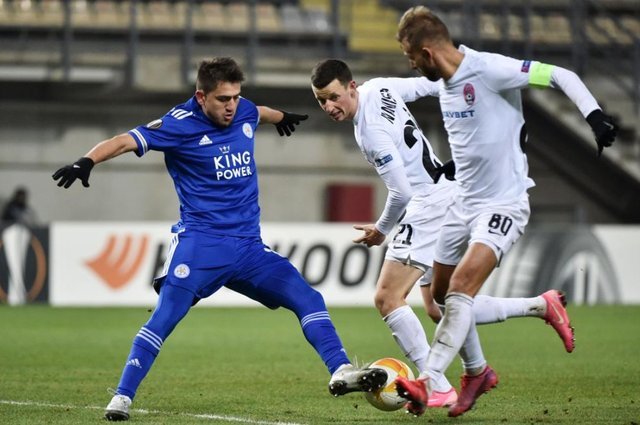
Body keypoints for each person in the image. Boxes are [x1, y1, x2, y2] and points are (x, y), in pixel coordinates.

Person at [52, 57, 387, 422]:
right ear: (201, 97)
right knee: (165, 317)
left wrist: (281, 117)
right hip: (201, 246)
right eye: (223, 99)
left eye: (235, 97)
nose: (231, 106)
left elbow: (259, 112)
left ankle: (340, 370)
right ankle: (122, 396)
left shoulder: (243, 110)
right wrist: (87, 161)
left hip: (249, 249)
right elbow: (124, 141)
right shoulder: (178, 124)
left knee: (308, 298)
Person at [310, 59, 578, 409]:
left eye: (333, 97)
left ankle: (434, 385)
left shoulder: (371, 132)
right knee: (440, 306)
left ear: (351, 87)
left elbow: (402, 193)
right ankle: (540, 306)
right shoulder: (379, 87)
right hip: (445, 190)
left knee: (388, 297)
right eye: (321, 100)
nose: (329, 106)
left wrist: (382, 230)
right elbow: (428, 85)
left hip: (428, 203)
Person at [393, 6, 618, 417]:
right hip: (463, 202)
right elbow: (476, 136)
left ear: (427, 53)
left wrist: (595, 116)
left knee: (461, 288)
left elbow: (560, 74)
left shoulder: (489, 69)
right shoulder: (446, 83)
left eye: (411, 58)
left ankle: (427, 381)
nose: (411, 66)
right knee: (439, 298)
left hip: (504, 204)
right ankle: (480, 369)